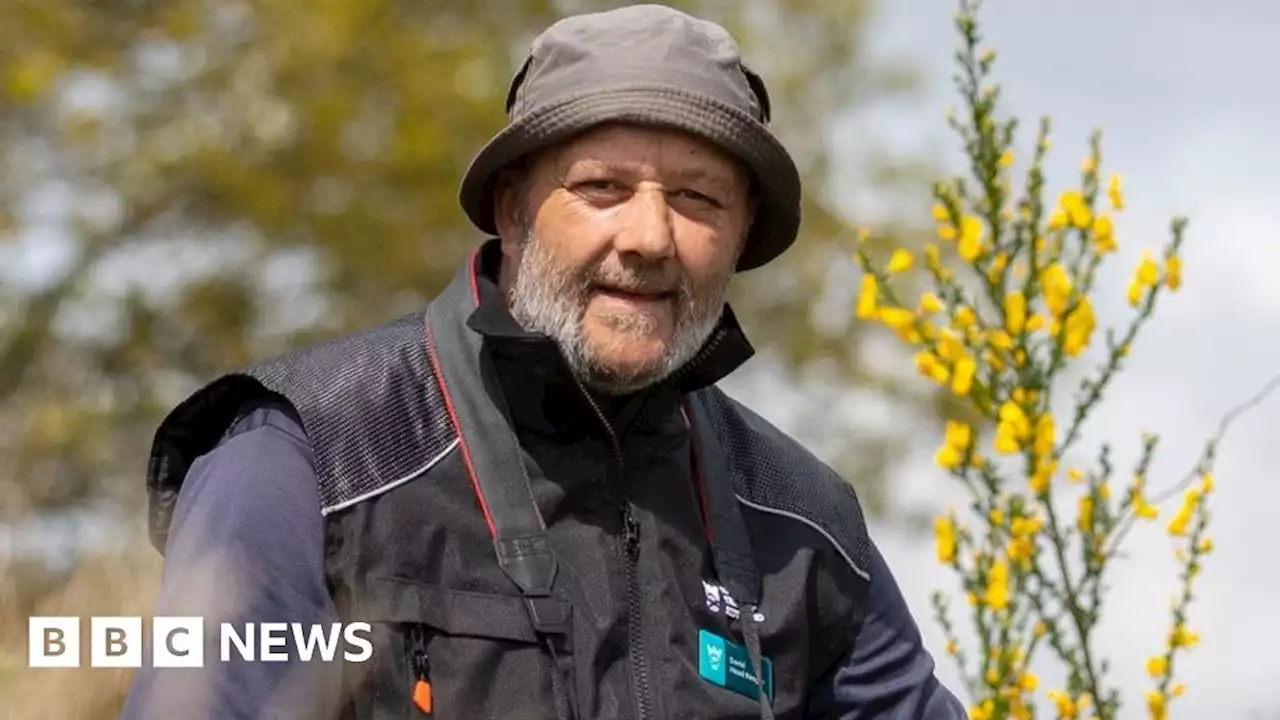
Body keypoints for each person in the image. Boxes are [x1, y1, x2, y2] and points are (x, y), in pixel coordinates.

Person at [124, 4, 966, 719]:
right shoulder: (310, 458)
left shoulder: (802, 526)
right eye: (601, 187)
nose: (648, 238)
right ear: (513, 208)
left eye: (697, 198)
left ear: (741, 237)